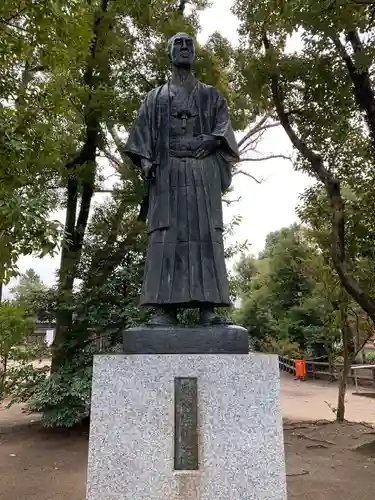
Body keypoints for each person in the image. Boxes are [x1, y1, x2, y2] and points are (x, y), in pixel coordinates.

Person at [125, 32, 240, 326]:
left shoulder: (211, 96)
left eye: (189, 44)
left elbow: (223, 129)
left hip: (201, 172)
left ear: (195, 53)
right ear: (169, 53)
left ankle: (208, 309)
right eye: (179, 44)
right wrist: (146, 162)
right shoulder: (155, 98)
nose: (185, 48)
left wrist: (213, 141)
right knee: (165, 235)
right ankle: (165, 310)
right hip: (167, 173)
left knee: (205, 236)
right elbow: (139, 139)